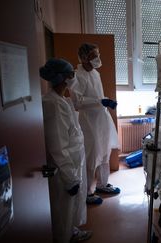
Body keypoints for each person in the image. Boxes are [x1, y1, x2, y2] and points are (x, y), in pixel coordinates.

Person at [40, 58, 92, 243]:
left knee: (70, 208)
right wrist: (70, 178)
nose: (74, 77)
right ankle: (64, 237)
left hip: (73, 161)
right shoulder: (53, 104)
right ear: (62, 78)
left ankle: (71, 232)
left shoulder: (61, 100)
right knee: (63, 209)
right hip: (65, 168)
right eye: (71, 74)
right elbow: (57, 145)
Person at [68, 43, 120, 205]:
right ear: (83, 58)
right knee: (91, 156)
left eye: (98, 55)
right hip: (88, 122)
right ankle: (87, 193)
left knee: (104, 153)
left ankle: (102, 185)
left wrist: (106, 102)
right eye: (94, 56)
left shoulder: (96, 74)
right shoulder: (78, 76)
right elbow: (77, 102)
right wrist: (100, 101)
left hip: (101, 119)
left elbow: (98, 96)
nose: (98, 59)